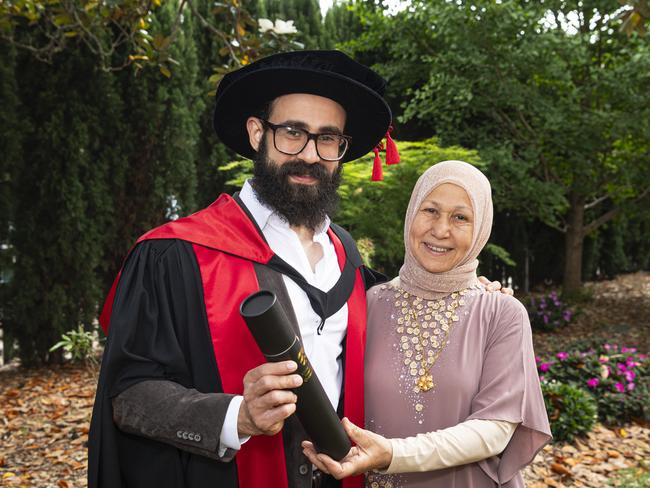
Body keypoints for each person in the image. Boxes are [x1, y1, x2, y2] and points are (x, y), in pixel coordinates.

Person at [87, 50, 394, 488]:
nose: (310, 154)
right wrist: (237, 416)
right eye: (292, 132)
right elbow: (131, 395)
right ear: (256, 133)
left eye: (328, 138)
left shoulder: (345, 254)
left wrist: (469, 291)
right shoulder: (176, 254)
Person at [302, 160, 552, 487]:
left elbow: (495, 430)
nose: (441, 230)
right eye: (430, 210)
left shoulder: (501, 313)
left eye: (460, 217)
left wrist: (393, 453)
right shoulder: (367, 303)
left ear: (480, 229)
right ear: (411, 213)